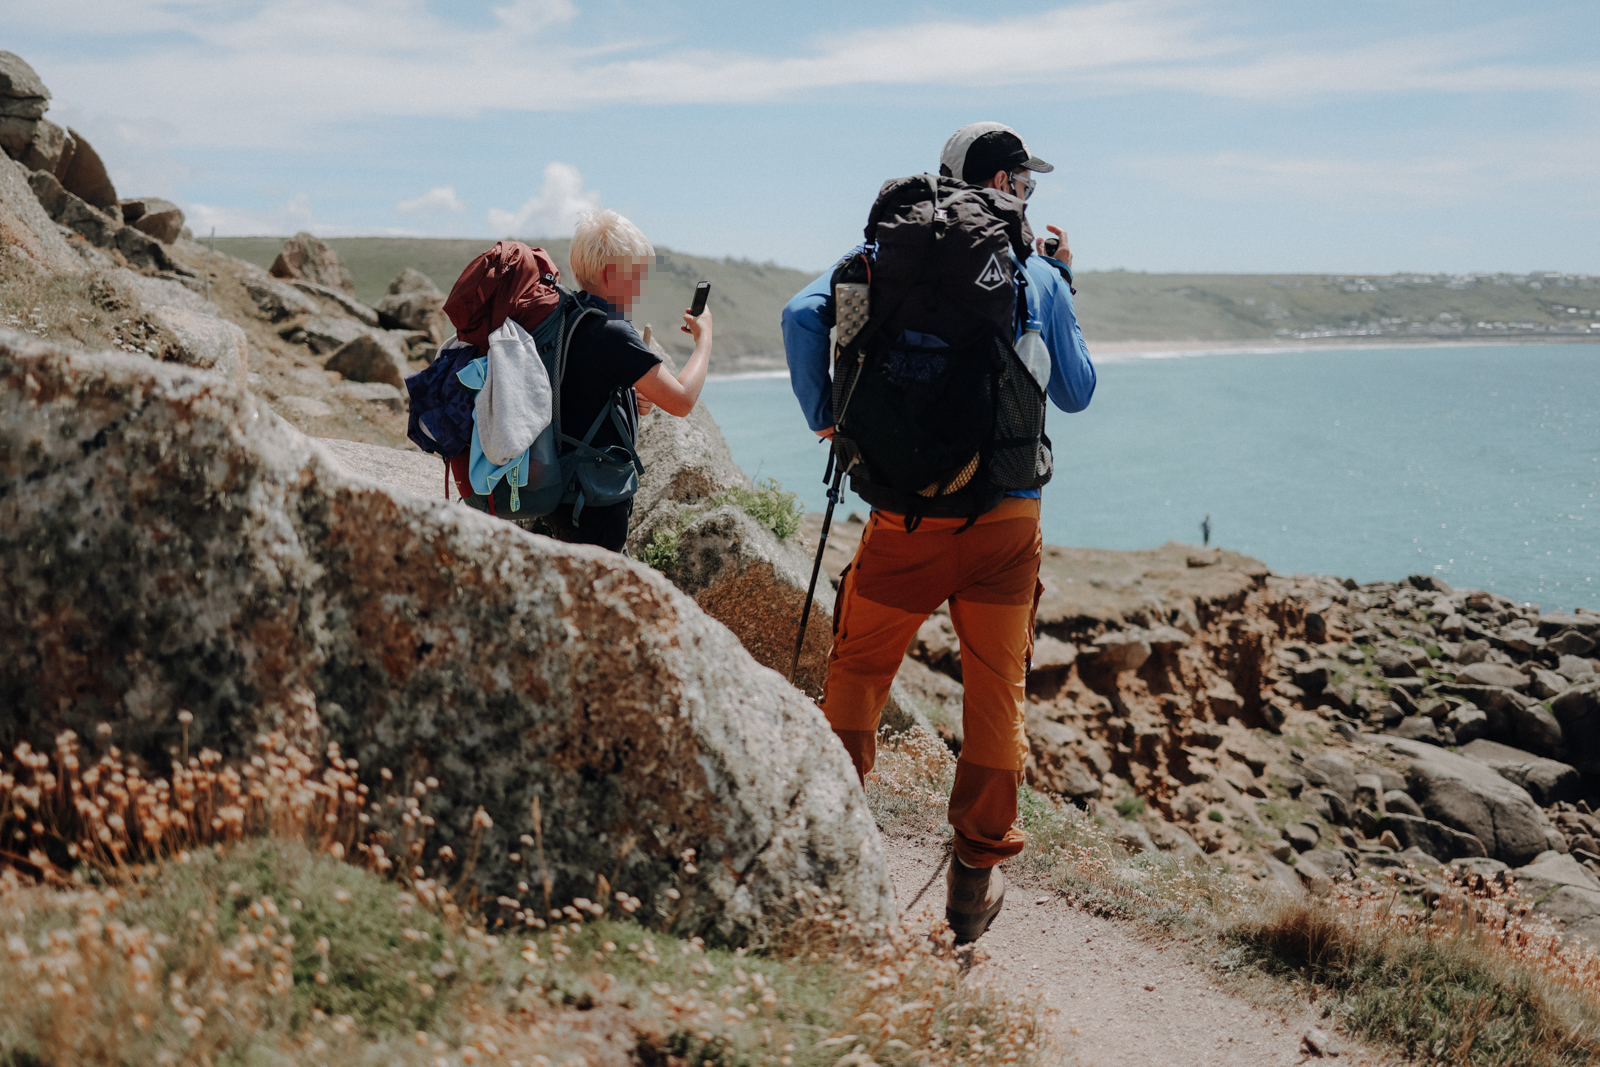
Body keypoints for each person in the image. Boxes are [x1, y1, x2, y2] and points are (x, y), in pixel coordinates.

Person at [781, 122, 1095, 943]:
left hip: (904, 515)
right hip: (1006, 520)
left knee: (858, 666)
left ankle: (833, 844)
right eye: (1025, 182)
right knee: (996, 687)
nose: (1031, 194)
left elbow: (799, 316)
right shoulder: (1033, 271)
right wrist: (1063, 284)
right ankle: (970, 881)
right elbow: (1079, 393)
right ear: (1007, 184)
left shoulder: (889, 253)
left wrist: (831, 421)